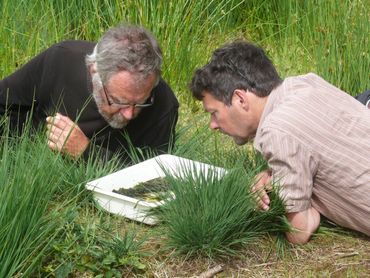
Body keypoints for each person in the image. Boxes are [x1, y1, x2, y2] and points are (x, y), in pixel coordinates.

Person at [189, 40, 370, 244]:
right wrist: (274, 175)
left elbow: (298, 232)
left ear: (240, 99)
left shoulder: (277, 132)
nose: (212, 125)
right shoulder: (304, 82)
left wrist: (308, 205)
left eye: (214, 113)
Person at [0, 23, 179, 164]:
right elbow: (4, 101)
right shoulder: (61, 61)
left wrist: (86, 152)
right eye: (119, 101)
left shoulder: (164, 104)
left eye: (141, 101)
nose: (130, 113)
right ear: (94, 72)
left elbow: (152, 177)